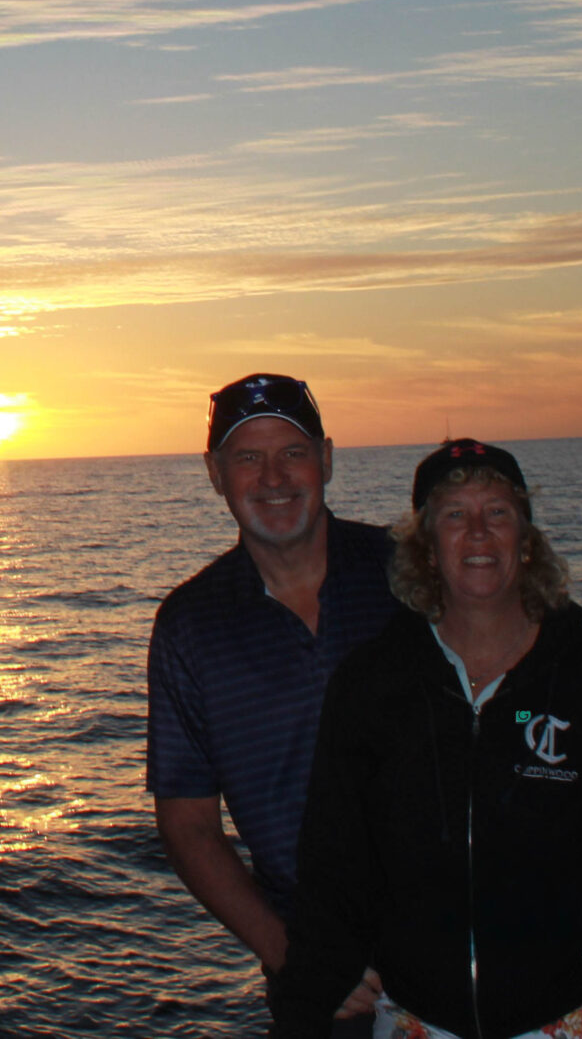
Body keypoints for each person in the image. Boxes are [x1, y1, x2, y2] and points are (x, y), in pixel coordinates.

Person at [270, 440, 582, 1039]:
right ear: (427, 548)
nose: (478, 532)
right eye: (455, 514)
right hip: (414, 1021)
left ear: (526, 542)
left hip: (577, 1018)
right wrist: (304, 1012)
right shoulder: (370, 686)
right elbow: (332, 869)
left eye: (498, 513)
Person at [146, 373, 400, 1030]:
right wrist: (299, 958)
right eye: (247, 457)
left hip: (475, 950)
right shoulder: (189, 625)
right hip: (324, 985)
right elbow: (190, 826)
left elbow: (538, 710)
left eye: (292, 451)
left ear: (328, 458)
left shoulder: (411, 573)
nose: (274, 476)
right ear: (215, 473)